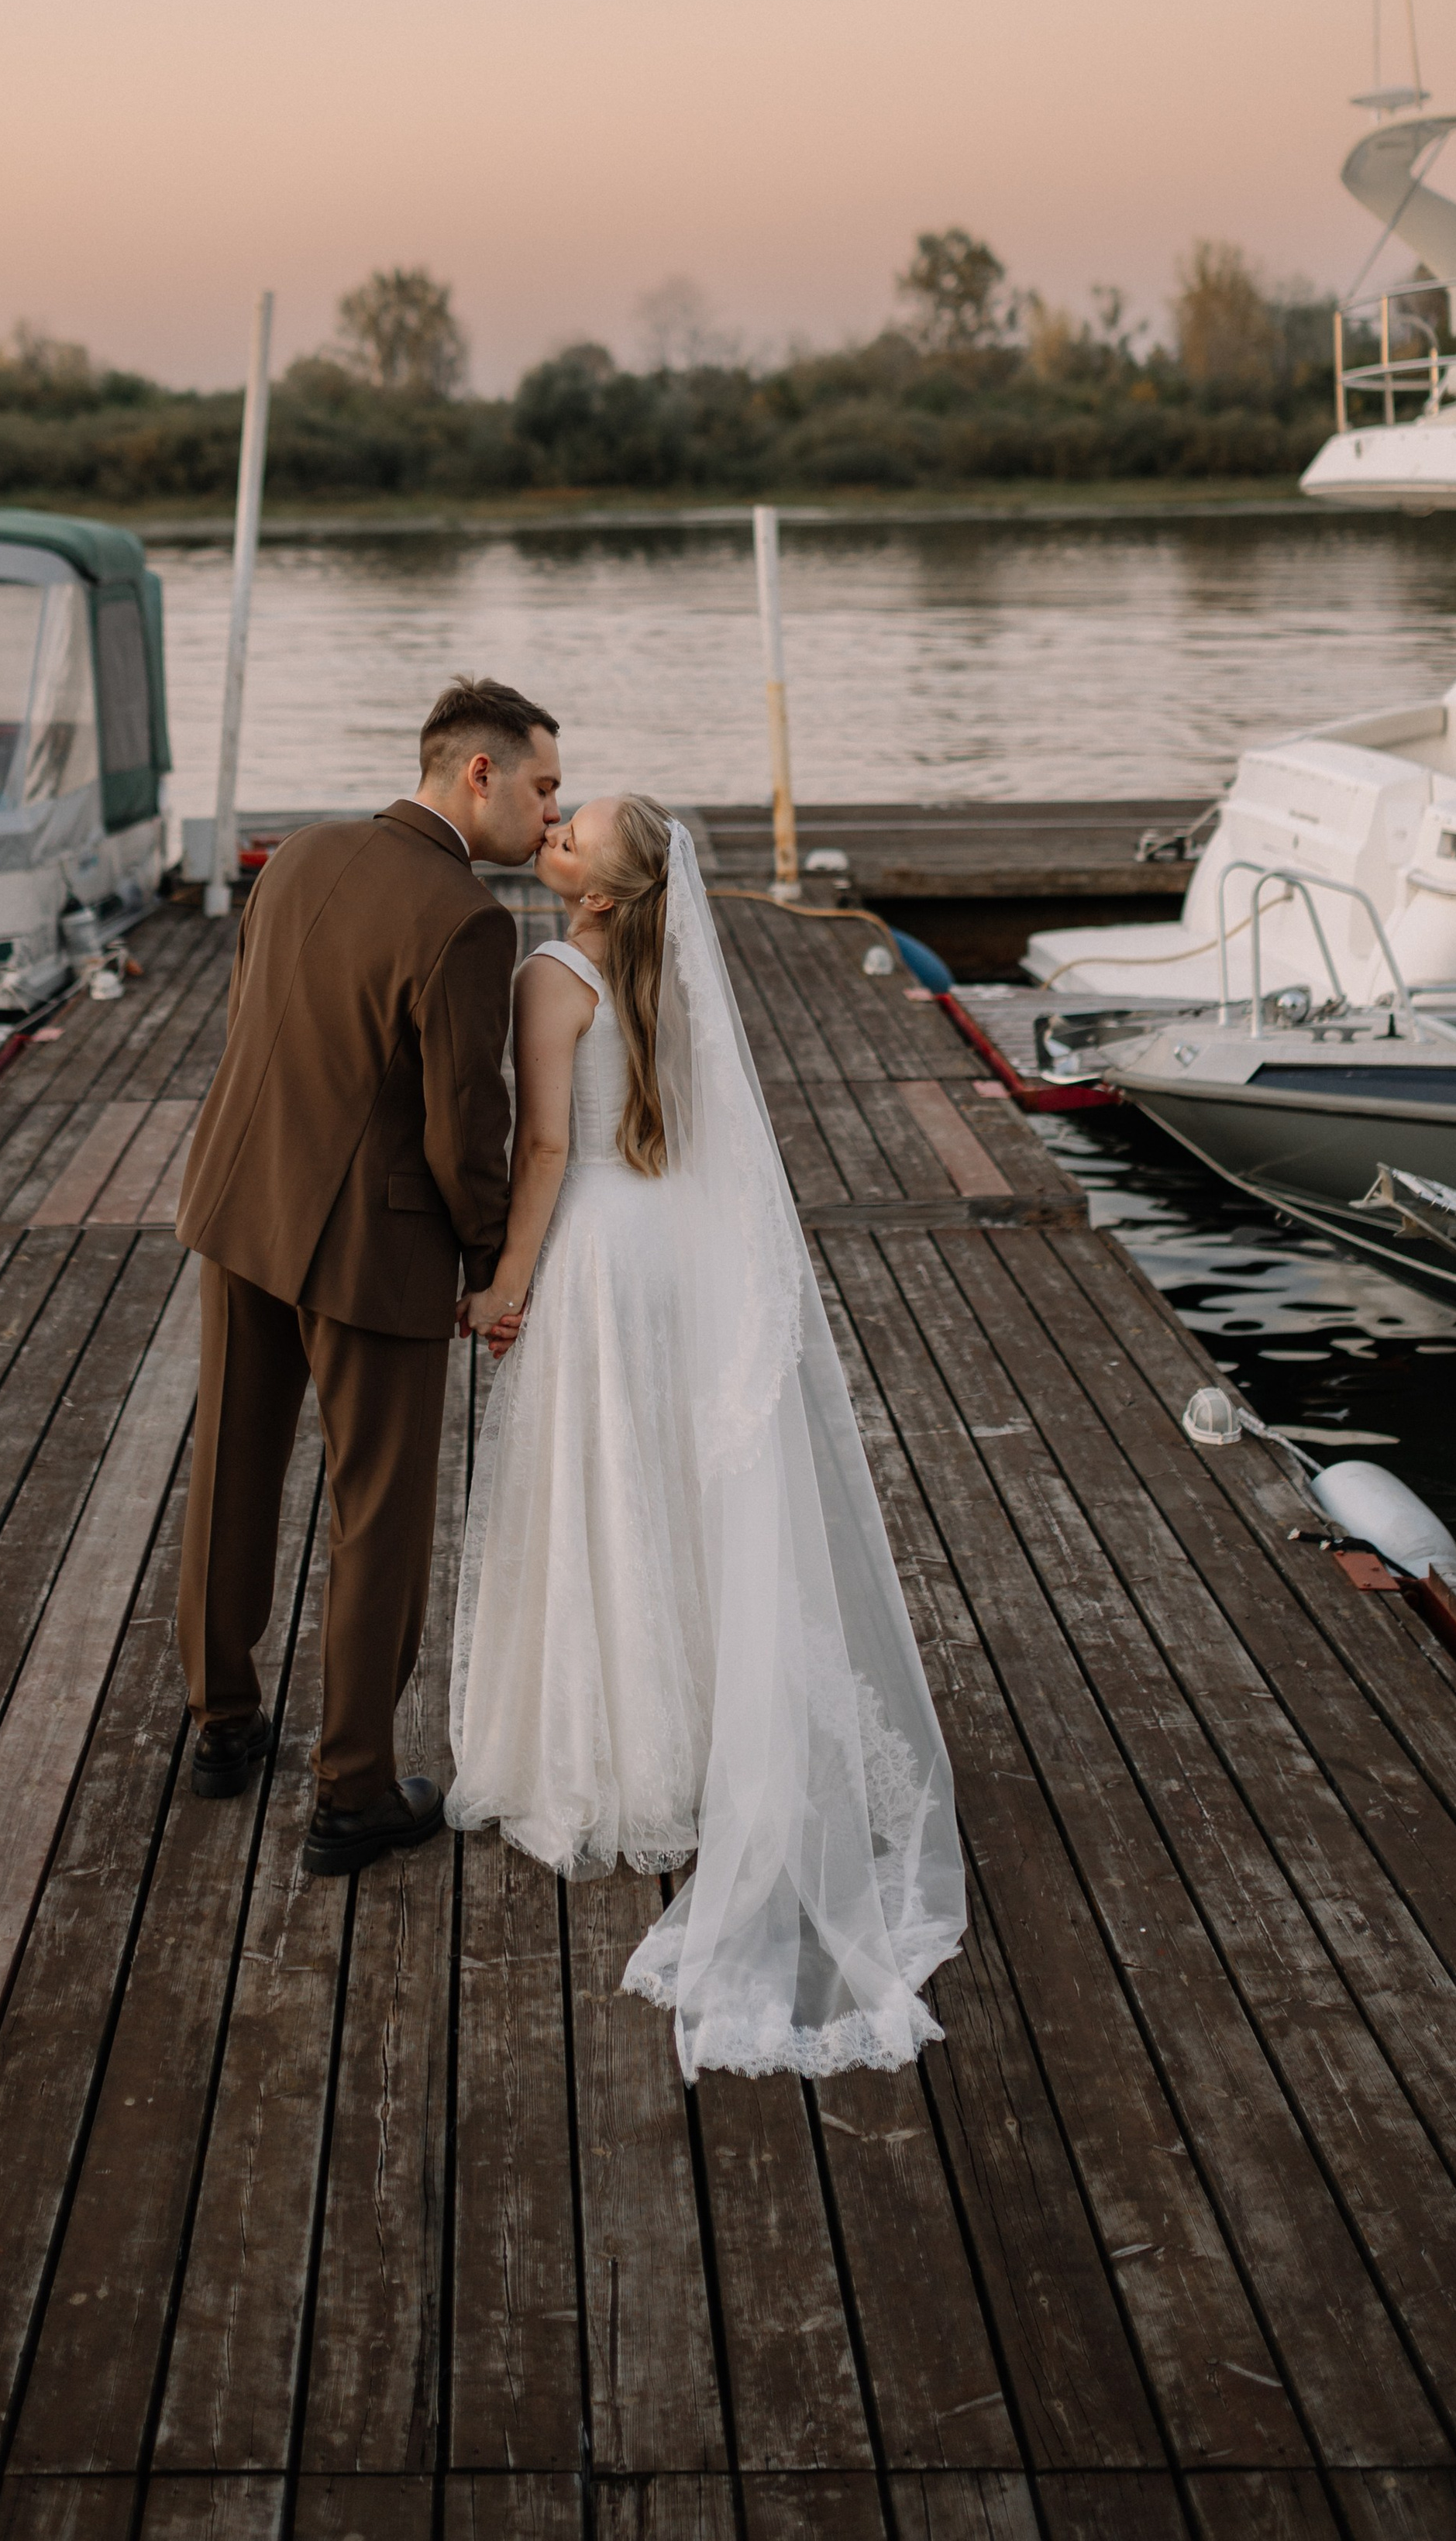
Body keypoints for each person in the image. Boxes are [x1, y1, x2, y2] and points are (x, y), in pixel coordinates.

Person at [447, 795, 967, 2080]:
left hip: (606, 1255)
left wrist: (508, 1283)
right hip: (681, 1247)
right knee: (672, 1486)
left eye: (571, 834)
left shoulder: (551, 973)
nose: (551, 827)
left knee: (600, 1489)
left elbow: (550, 1143)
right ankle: (699, 1716)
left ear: (600, 897)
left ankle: (614, 1753)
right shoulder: (672, 972)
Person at [174, 677, 562, 1877]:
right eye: (545, 784)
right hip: (371, 1249)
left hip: (243, 1206)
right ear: (477, 773)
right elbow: (464, 1128)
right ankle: (349, 1789)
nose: (556, 812)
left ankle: (223, 1726)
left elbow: (257, 1025)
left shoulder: (297, 855)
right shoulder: (468, 917)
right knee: (378, 1514)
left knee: (233, 1471)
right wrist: (501, 1260)